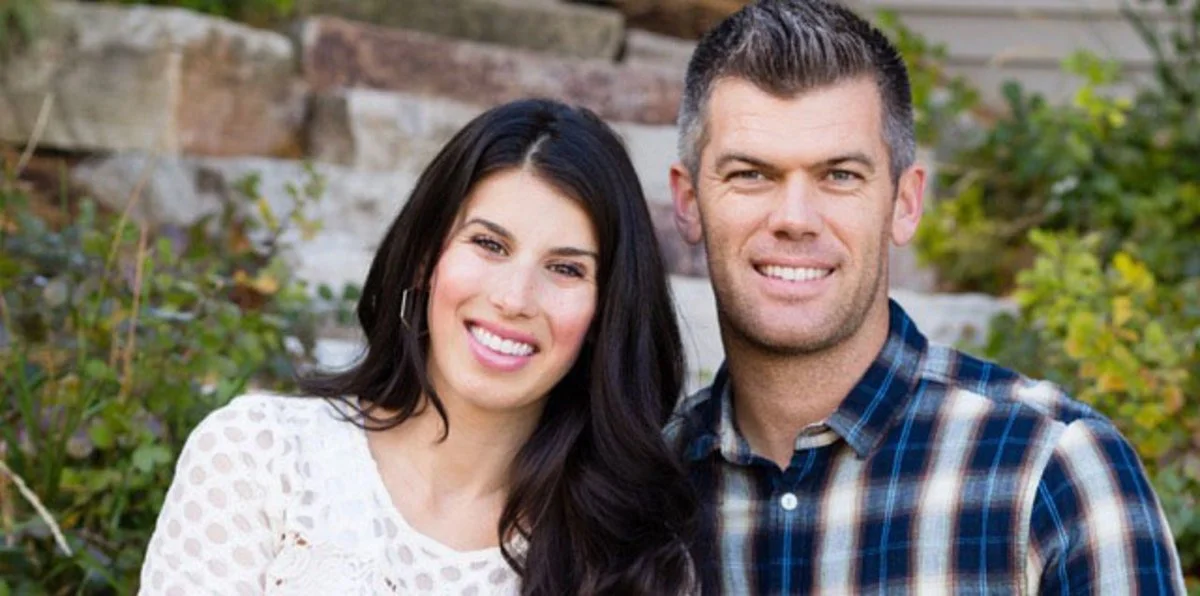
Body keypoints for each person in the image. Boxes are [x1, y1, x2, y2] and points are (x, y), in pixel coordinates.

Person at [664, 1, 1186, 593]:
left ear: (906, 203)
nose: (795, 219)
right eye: (751, 174)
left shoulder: (1052, 472)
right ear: (687, 203)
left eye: (840, 175)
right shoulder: (637, 488)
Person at [139, 99, 697, 595]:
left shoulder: (634, 562)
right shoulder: (260, 458)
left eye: (566, 268)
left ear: (606, 310)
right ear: (428, 258)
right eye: (488, 243)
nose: (514, 297)